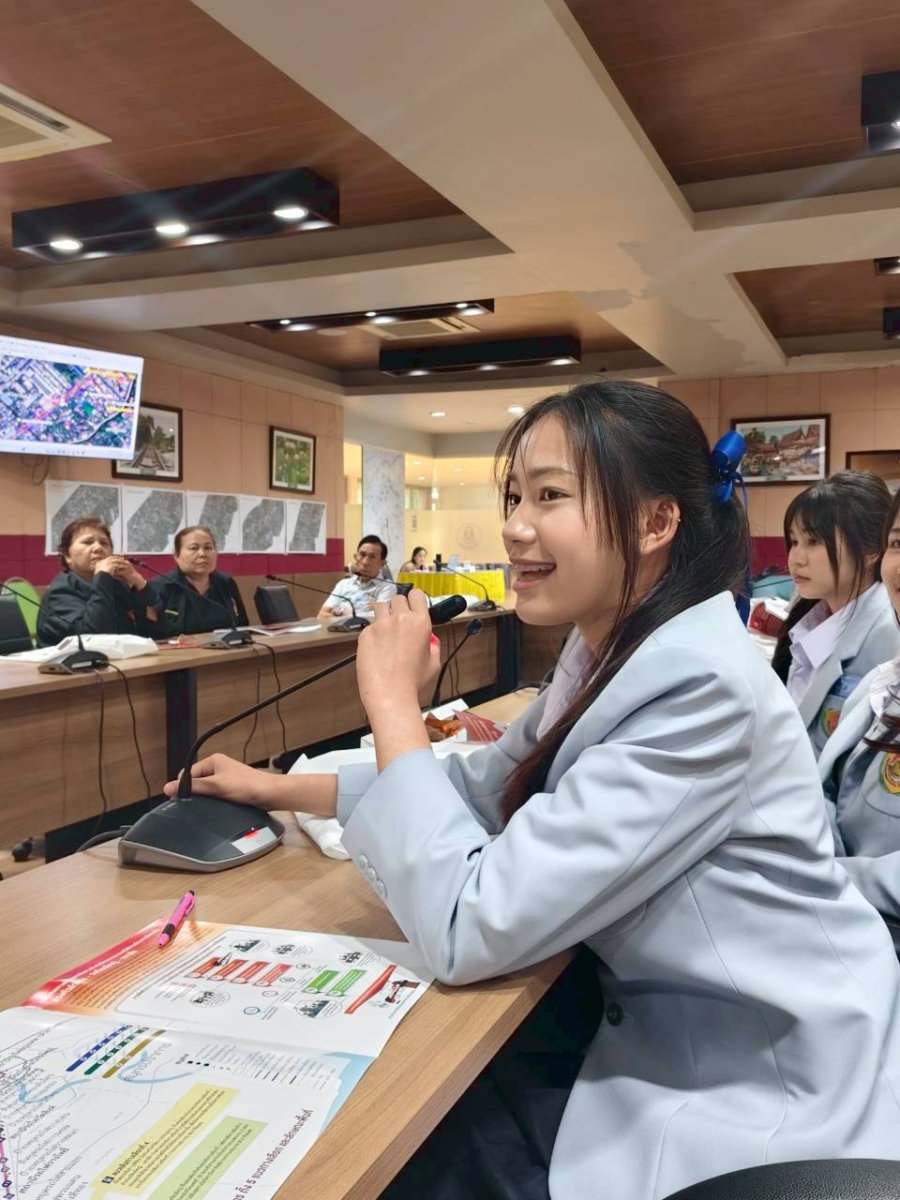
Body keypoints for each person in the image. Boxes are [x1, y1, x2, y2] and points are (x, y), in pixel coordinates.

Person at [167, 381, 900, 1200]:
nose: (516, 526)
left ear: (657, 523)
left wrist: (392, 705)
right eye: (515, 497)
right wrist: (277, 788)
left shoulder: (703, 686)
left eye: (551, 496)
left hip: (752, 1069)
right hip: (649, 1015)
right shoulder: (610, 649)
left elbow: (467, 926)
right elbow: (490, 785)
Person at [771, 471, 898, 758]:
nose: (796, 558)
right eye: (794, 541)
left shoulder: (891, 635)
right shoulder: (808, 618)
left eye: (813, 541)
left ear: (871, 549)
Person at [817, 485, 900, 919]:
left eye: (814, 542)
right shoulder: (880, 682)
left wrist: (822, 879)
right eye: (898, 544)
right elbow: (828, 788)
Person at [37, 517, 157, 646]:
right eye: (87, 542)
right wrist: (103, 577)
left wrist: (138, 581)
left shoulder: (117, 586)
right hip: (77, 658)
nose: (98, 548)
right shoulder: (59, 592)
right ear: (67, 556)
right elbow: (93, 636)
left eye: (104, 543)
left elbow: (158, 631)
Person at [151, 526, 248, 637]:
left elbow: (242, 625)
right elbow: (152, 637)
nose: (202, 554)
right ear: (177, 555)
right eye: (194, 548)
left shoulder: (226, 583)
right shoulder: (160, 587)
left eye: (208, 548)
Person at [318, 535, 396, 621]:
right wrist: (344, 612)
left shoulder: (387, 587)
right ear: (356, 557)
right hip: (336, 629)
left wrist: (343, 613)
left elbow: (379, 618)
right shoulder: (343, 584)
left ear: (382, 564)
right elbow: (321, 616)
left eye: (372, 557)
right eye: (362, 555)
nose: (365, 562)